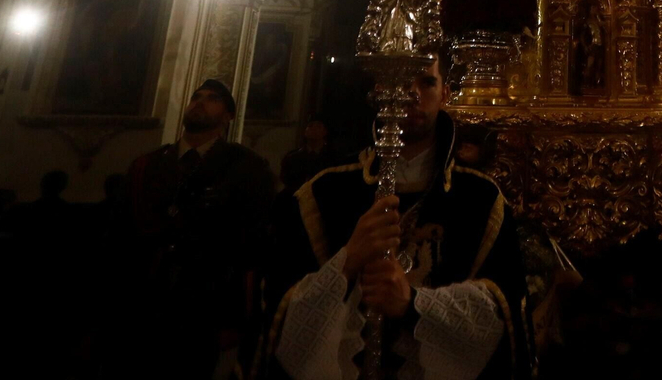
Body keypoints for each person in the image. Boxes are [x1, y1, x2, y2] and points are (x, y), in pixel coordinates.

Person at [264, 53, 533, 378]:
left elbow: (504, 314)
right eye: (401, 81)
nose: (412, 92)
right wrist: (347, 262)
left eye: (426, 81)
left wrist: (414, 304)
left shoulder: (480, 199)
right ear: (380, 89)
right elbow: (279, 313)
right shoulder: (324, 193)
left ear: (445, 93)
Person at [121, 78, 275, 379]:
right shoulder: (147, 165)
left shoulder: (248, 168)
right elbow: (123, 236)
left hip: (207, 305)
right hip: (146, 301)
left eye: (212, 98)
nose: (200, 102)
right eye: (196, 96)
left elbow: (253, 243)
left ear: (228, 116)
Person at [280, 119, 334, 194]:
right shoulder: (292, 157)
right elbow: (286, 179)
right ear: (305, 131)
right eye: (310, 126)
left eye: (318, 126)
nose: (313, 129)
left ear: (325, 132)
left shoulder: (332, 157)